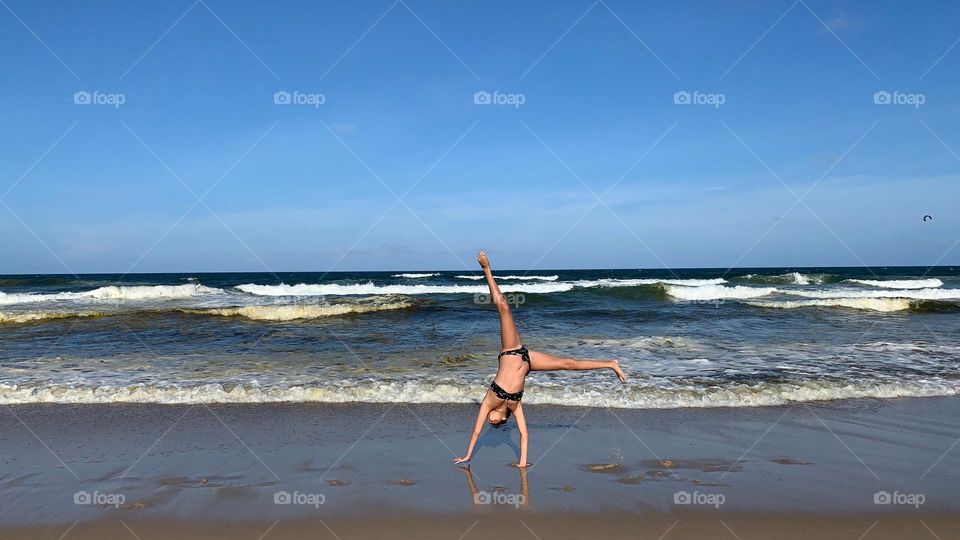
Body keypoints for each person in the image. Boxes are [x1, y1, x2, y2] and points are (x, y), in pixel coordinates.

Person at [453, 251, 626, 468]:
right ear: (503, 420)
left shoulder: (489, 402)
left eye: (490, 422)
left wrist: (468, 455)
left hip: (511, 350)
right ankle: (610, 363)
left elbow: (476, 430)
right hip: (528, 360)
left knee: (504, 308)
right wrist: (523, 463)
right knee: (567, 364)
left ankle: (486, 269)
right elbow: (524, 435)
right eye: (494, 424)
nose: (490, 422)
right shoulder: (514, 407)